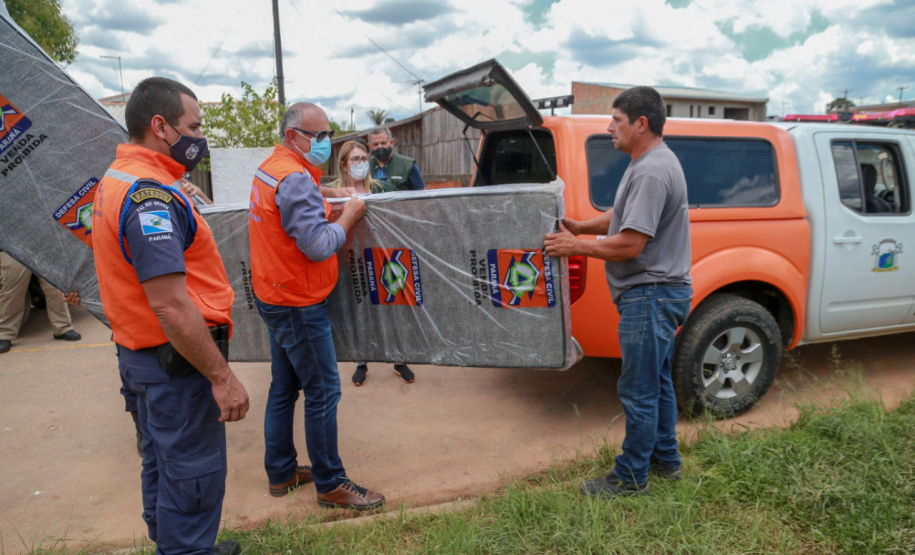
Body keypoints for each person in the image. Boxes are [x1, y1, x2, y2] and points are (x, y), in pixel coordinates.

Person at [91, 76, 248, 555]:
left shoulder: (120, 180)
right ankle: (186, 549)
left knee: (162, 463)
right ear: (160, 126)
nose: (200, 137)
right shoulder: (148, 196)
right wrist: (221, 377)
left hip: (143, 358)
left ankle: (180, 545)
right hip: (173, 365)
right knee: (193, 472)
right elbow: (170, 303)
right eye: (194, 126)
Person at [544, 86, 692, 498]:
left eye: (617, 120)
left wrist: (575, 247)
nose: (610, 127)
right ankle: (666, 460)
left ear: (641, 124)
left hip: (651, 294)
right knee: (657, 383)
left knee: (639, 389)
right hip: (662, 292)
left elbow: (630, 244)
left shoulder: (649, 170)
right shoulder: (649, 161)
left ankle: (630, 477)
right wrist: (581, 226)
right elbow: (622, 216)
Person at [249, 102, 385, 510]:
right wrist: (351, 214)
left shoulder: (272, 167)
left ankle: (282, 472)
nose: (326, 142)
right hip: (298, 303)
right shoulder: (291, 178)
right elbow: (318, 245)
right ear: (294, 136)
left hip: (274, 293)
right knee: (323, 391)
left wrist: (331, 192)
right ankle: (330, 483)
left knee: (284, 388)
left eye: (329, 134)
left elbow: (298, 193)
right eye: (319, 135)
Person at [326, 140, 414, 386]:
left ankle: (399, 359)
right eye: (355, 159)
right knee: (358, 309)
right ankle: (361, 360)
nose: (361, 164)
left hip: (382, 258)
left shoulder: (382, 188)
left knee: (392, 307)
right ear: (344, 165)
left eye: (364, 159)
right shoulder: (334, 193)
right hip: (349, 260)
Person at [0, 251, 81, 354]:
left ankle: (63, 328)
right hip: (12, 244)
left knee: (54, 287)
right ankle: (4, 335)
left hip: (41, 243)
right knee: (12, 291)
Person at [368, 126, 425, 191]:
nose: (380, 147)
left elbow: (422, 193)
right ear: (370, 147)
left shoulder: (408, 165)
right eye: (376, 144)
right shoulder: (366, 166)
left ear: (392, 142)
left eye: (383, 143)